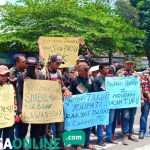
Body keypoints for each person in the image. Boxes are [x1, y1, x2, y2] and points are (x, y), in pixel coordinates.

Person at [41, 54, 72, 150]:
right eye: (57, 63)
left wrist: (66, 90)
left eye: (60, 63)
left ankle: (60, 145)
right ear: (51, 62)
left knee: (60, 128)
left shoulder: (58, 73)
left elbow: (62, 85)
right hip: (47, 105)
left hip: (58, 104)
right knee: (46, 129)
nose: (58, 65)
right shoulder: (43, 73)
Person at [16, 57, 44, 150]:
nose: (31, 67)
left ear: (36, 66)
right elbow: (19, 94)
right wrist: (20, 111)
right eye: (29, 65)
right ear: (26, 65)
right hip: (25, 109)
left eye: (33, 65)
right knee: (22, 133)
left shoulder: (40, 76)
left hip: (36, 110)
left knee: (35, 133)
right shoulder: (21, 76)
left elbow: (44, 92)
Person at [116, 57, 144, 145]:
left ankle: (130, 133)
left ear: (133, 65)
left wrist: (141, 98)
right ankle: (125, 134)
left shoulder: (136, 74)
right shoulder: (120, 72)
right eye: (128, 63)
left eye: (131, 63)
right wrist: (132, 77)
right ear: (125, 64)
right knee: (125, 116)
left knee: (132, 117)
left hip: (133, 99)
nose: (129, 65)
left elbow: (139, 87)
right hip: (124, 99)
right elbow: (120, 82)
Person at [69, 62, 97, 150]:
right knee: (77, 126)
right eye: (78, 70)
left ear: (86, 71)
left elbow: (94, 93)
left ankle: (87, 143)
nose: (79, 72)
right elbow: (71, 92)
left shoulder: (91, 80)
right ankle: (77, 144)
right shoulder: (74, 80)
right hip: (77, 108)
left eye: (81, 71)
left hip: (87, 108)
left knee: (87, 126)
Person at [95, 63, 118, 147]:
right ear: (101, 69)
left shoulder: (110, 79)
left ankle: (109, 137)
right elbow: (95, 92)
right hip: (101, 104)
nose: (107, 70)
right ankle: (100, 139)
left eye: (108, 68)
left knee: (110, 121)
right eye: (105, 68)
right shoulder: (97, 79)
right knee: (101, 122)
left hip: (111, 103)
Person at [9, 54, 26, 139]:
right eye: (23, 62)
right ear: (17, 63)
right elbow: (15, 83)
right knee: (14, 129)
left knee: (23, 131)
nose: (25, 63)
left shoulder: (25, 72)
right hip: (15, 106)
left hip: (24, 104)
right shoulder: (11, 73)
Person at [0, 65, 17, 150]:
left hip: (8, 119)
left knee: (8, 142)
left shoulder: (11, 85)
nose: (4, 77)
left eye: (6, 75)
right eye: (2, 75)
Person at [139, 68, 150, 139]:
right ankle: (142, 131)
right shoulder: (145, 73)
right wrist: (145, 96)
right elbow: (143, 86)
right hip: (146, 98)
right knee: (144, 115)